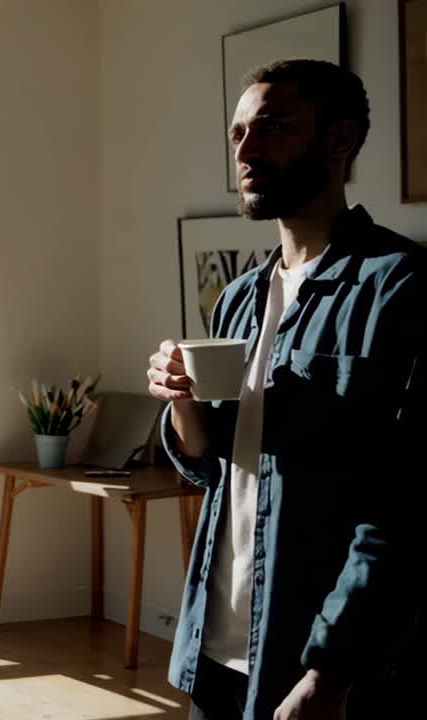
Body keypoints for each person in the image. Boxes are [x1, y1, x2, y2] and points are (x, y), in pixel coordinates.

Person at [147, 59, 425, 719]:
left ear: (339, 140)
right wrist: (181, 400)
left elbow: (406, 506)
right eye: (238, 132)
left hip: (318, 660)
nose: (246, 149)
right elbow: (213, 465)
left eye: (271, 128)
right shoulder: (240, 299)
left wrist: (331, 669)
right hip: (215, 650)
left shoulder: (400, 288)